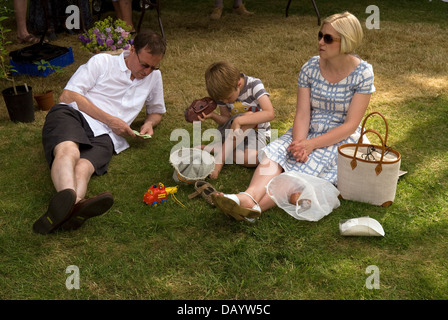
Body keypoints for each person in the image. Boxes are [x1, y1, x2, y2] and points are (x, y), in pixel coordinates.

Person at [211, 12, 375, 221]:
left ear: (346, 42)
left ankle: (252, 209)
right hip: (307, 128)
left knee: (299, 169)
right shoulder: (310, 67)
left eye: (327, 38)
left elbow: (350, 125)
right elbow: (303, 113)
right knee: (276, 153)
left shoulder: (363, 73)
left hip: (339, 137)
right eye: (320, 35)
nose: (320, 42)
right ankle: (249, 197)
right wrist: (299, 142)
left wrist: (311, 145)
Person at [33, 29, 166, 234]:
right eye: (144, 64)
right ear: (132, 50)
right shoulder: (102, 62)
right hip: (74, 115)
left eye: (154, 67)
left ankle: (65, 210)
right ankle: (75, 204)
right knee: (69, 152)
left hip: (108, 137)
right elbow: (68, 95)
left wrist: (149, 123)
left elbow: (156, 111)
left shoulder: (154, 77)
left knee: (84, 168)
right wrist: (110, 120)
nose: (148, 71)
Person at [200, 61, 275, 180]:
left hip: (256, 133)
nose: (225, 102)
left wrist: (240, 120)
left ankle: (219, 149)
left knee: (254, 159)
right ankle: (219, 162)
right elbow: (225, 119)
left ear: (238, 84)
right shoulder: (223, 94)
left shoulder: (254, 85)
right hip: (232, 132)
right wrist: (213, 115)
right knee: (247, 117)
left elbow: (269, 113)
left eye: (228, 98)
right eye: (222, 100)